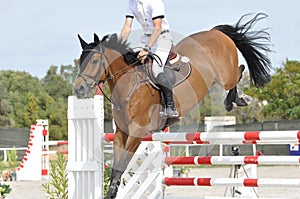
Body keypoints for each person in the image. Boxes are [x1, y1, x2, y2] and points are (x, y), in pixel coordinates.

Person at [120, 0, 179, 118]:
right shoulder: (131, 3)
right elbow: (127, 27)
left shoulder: (155, 2)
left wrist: (147, 49)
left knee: (156, 69)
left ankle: (170, 106)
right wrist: (118, 45)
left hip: (162, 37)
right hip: (145, 38)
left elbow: (157, 28)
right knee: (130, 61)